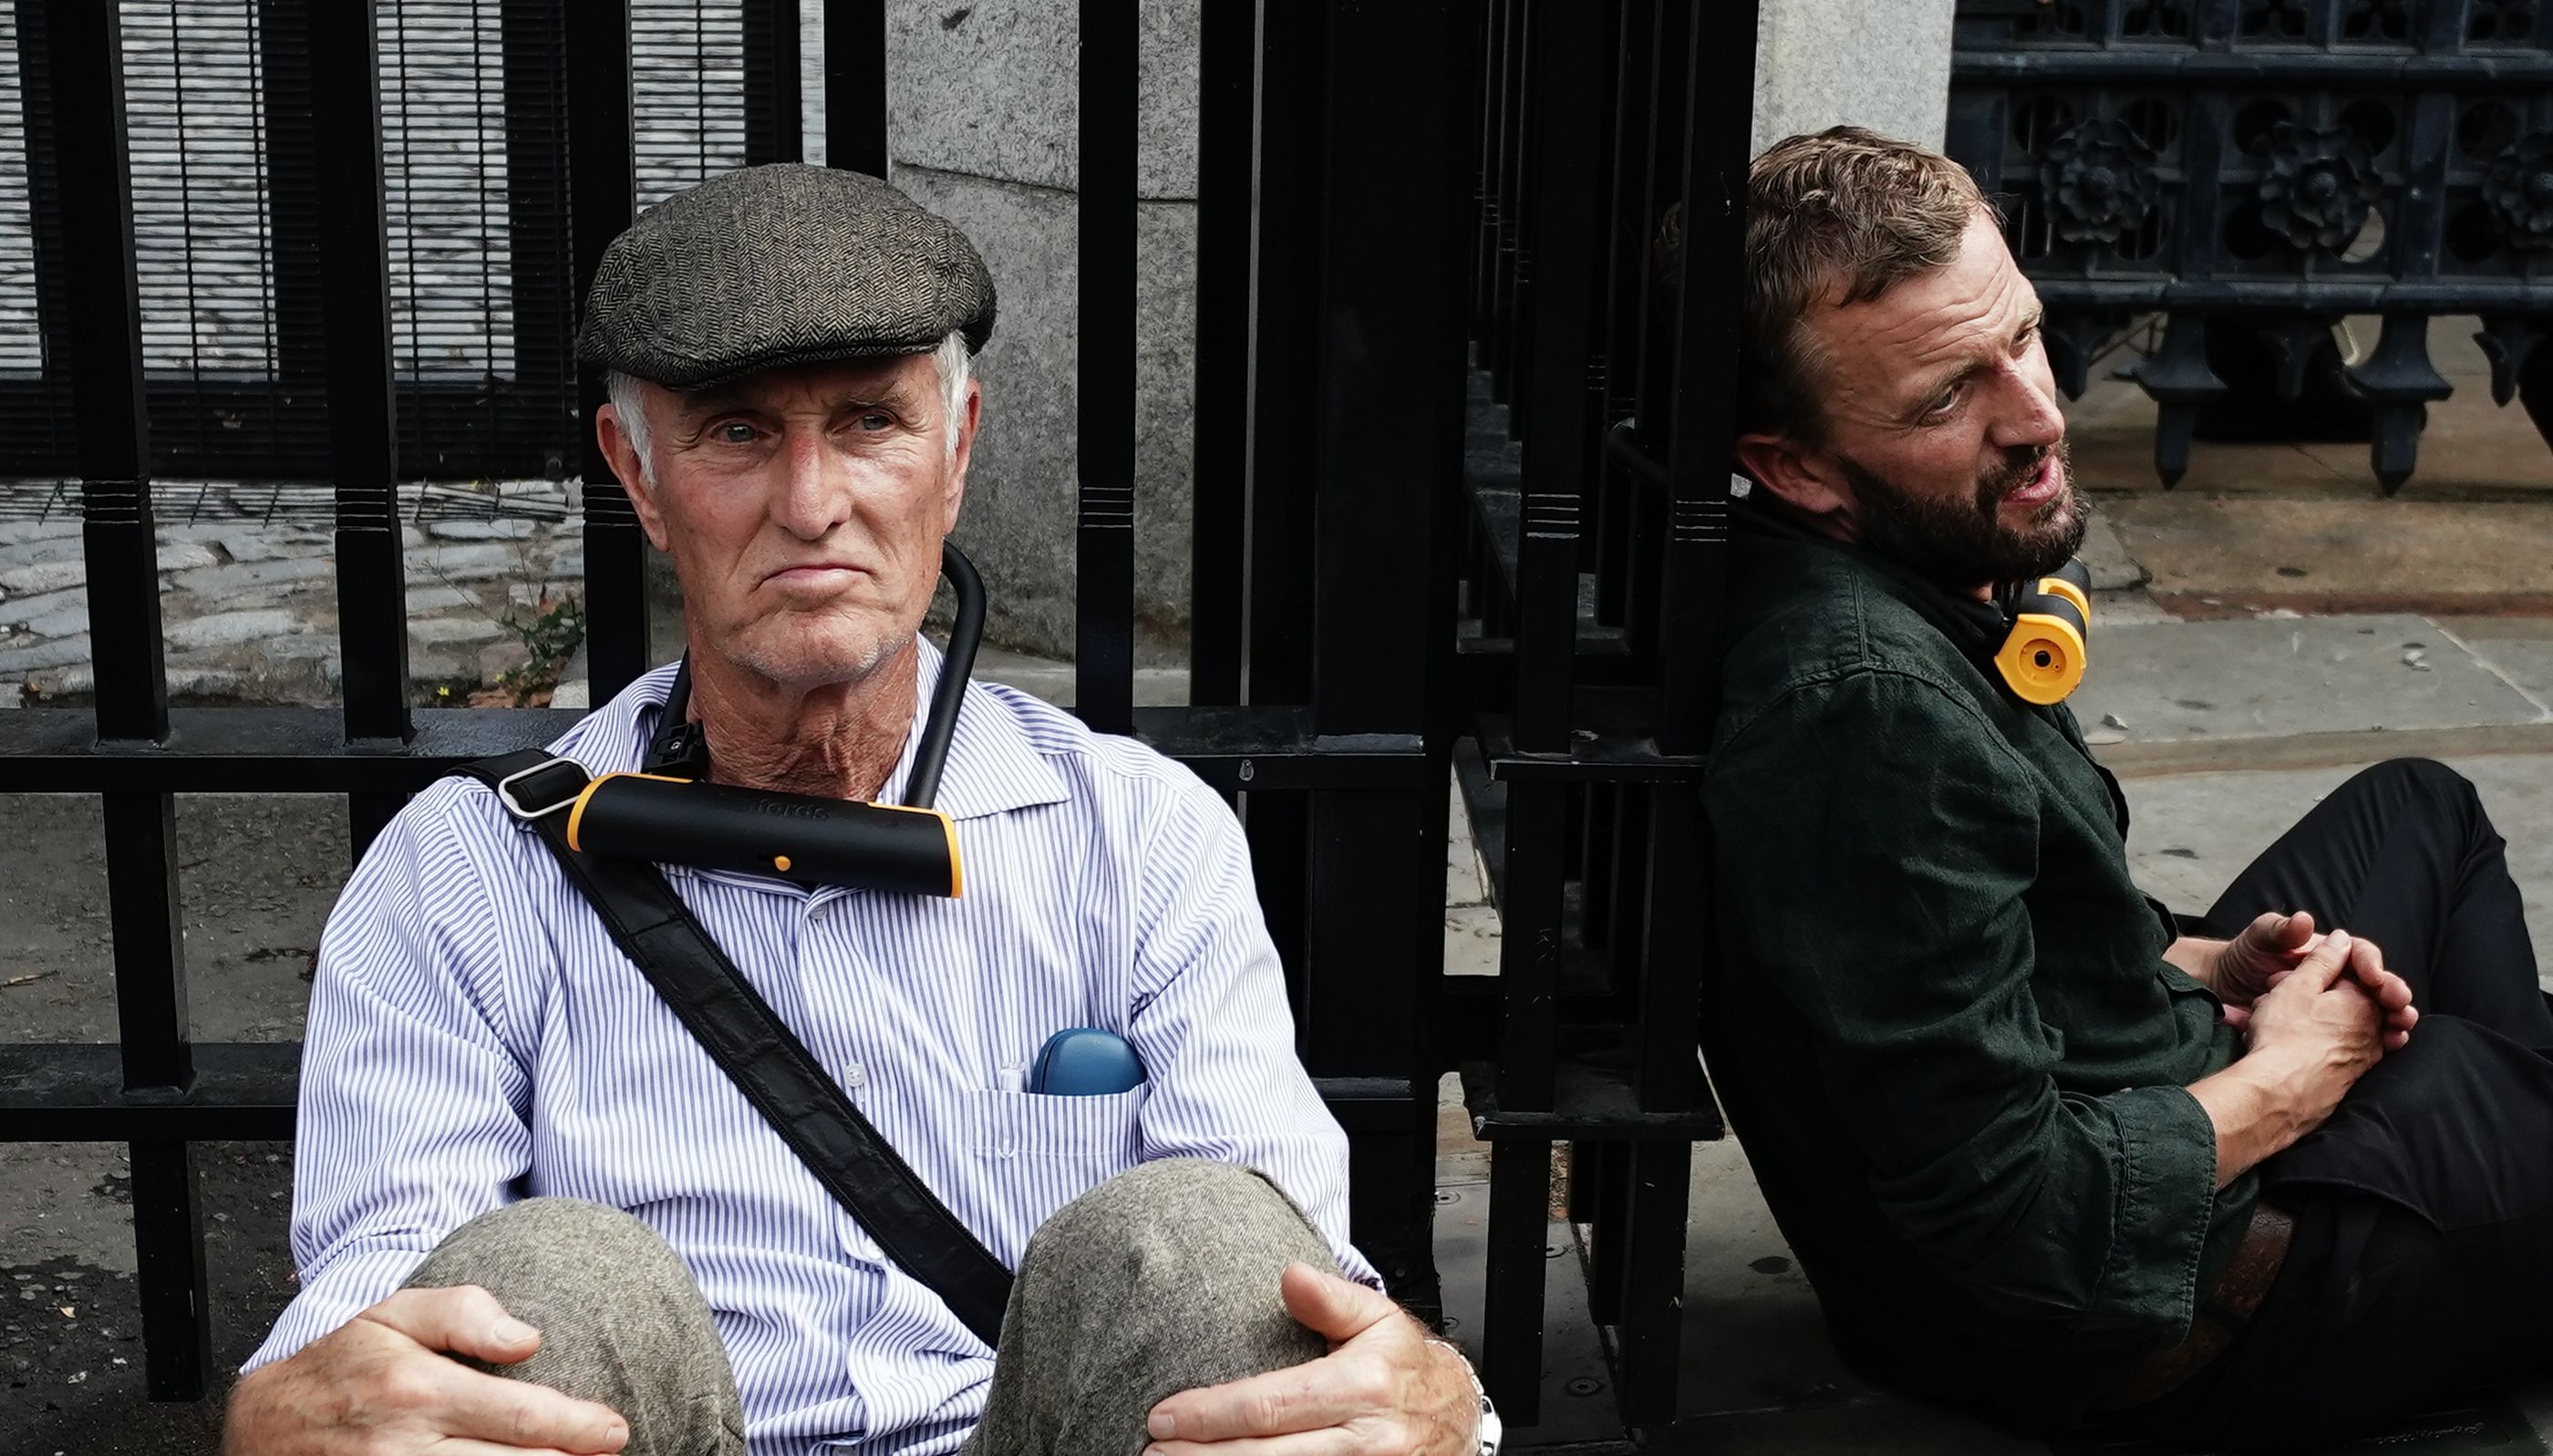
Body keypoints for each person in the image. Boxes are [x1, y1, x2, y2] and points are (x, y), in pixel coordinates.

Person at [223, 164, 1486, 1456]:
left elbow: (1296, 1284)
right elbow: (379, 1297)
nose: (813, 504)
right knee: (540, 1281)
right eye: (737, 432)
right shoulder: (464, 872)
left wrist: (1434, 1400)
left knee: (1212, 1242)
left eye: (870, 421)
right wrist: (304, 1403)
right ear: (639, 473)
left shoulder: (1141, 837)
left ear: (959, 446)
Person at [1703, 126, 2553, 1450]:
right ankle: (2456, 1205)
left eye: (2025, 341)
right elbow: (2005, 1215)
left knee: (2422, 807)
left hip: (2153, 1095)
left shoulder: (1876, 578)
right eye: (1945, 401)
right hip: (2186, 1316)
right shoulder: (1862, 707)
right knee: (2454, 1062)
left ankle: (2483, 1191)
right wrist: (2293, 1076)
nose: (2038, 417)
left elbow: (1985, 936)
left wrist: (2208, 967)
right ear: (1797, 465)